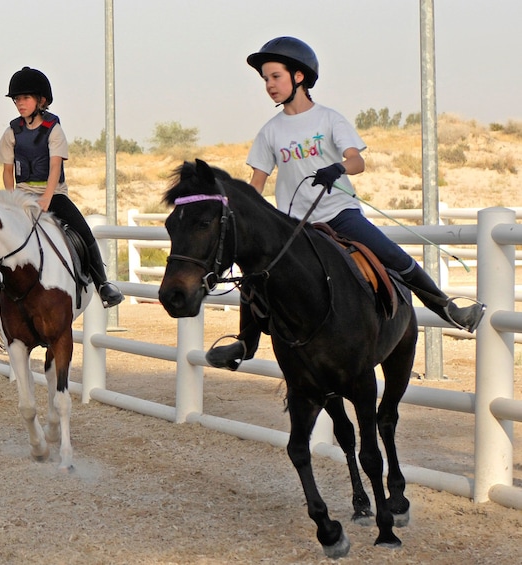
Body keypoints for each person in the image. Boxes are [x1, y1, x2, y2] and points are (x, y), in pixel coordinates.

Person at [205, 36, 486, 371]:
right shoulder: (270, 132)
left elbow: (357, 162)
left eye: (275, 76)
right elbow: (256, 185)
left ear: (298, 77)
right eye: (265, 79)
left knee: (392, 254)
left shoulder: (329, 119)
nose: (269, 85)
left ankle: (448, 308)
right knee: (255, 272)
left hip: (339, 214)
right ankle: (244, 344)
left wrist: (337, 167)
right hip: (294, 225)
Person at [0, 66, 124, 312]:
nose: (19, 103)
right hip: (22, 195)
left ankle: (102, 284)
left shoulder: (54, 129)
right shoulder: (12, 131)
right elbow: (7, 170)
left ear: (41, 100)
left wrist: (46, 198)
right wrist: (11, 199)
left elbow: (55, 168)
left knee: (83, 230)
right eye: (16, 99)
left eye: (25, 98)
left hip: (53, 195)